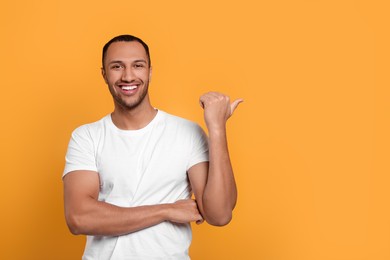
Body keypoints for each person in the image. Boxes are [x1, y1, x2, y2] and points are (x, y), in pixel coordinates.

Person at [63, 34, 243, 260]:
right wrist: (166, 210)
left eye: (137, 66)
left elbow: (219, 214)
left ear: (149, 71)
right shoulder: (87, 137)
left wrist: (216, 129)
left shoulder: (187, 133)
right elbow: (79, 218)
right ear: (104, 74)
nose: (128, 76)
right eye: (117, 66)